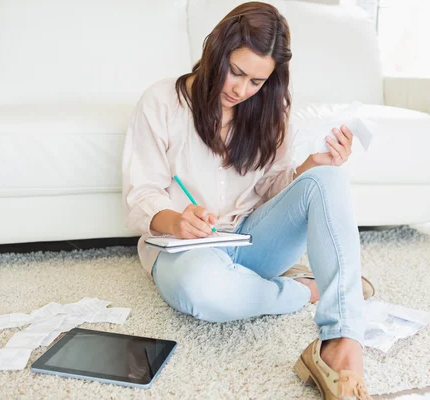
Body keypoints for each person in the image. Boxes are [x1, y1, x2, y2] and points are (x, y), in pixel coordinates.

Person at [122, 2, 373, 399]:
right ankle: (309, 290)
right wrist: (175, 220)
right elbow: (141, 195)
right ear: (216, 52)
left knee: (328, 178)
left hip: (251, 240)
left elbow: (273, 189)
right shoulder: (161, 102)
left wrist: (312, 165)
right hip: (185, 250)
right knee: (204, 292)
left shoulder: (271, 110)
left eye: (256, 81)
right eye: (235, 72)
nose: (240, 90)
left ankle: (342, 341)